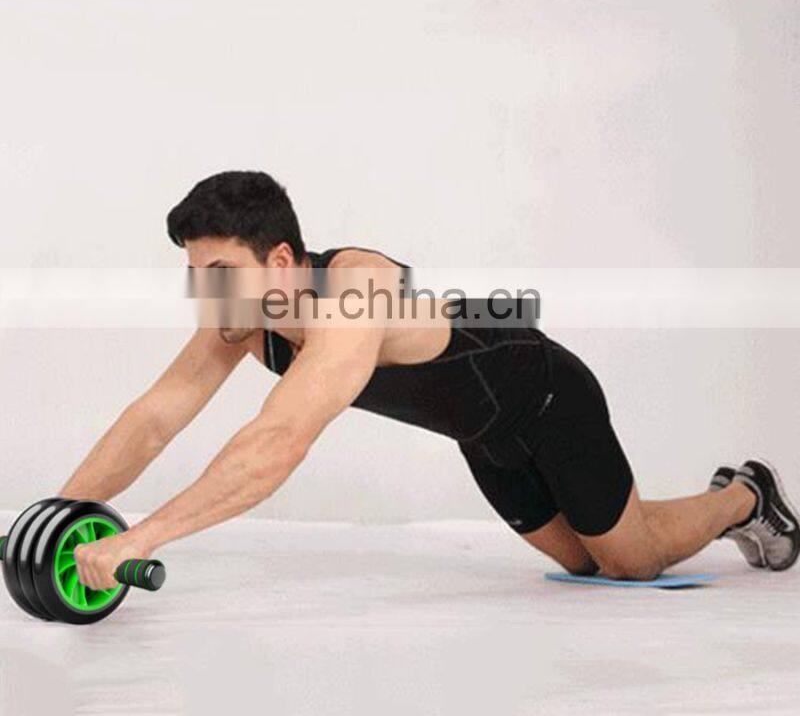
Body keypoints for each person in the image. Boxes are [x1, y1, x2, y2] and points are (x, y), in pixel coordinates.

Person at [64, 171, 799, 592]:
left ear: (280, 261)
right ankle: (701, 507)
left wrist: (144, 536)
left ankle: (745, 494)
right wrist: (57, 515)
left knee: (630, 562)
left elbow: (281, 436)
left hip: (547, 395)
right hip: (482, 435)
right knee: (584, 561)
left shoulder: (356, 289)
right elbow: (155, 417)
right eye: (196, 274)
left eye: (220, 271)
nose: (206, 292)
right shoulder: (239, 317)